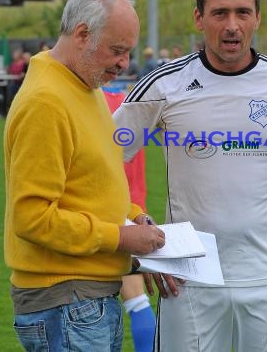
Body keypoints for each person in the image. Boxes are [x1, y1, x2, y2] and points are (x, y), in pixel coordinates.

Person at [113, 0, 267, 352]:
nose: (231, 25)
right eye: (219, 13)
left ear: (257, 17)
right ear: (199, 18)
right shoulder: (164, 85)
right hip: (188, 278)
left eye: (242, 12)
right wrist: (132, 223)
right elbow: (100, 158)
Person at [3, 0, 165, 352]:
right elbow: (32, 218)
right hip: (65, 300)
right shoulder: (47, 101)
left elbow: (92, 185)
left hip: (83, 298)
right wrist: (121, 238)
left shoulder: (82, 87)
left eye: (128, 52)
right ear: (81, 35)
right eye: (117, 50)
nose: (125, 63)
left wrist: (135, 217)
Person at [103, 88, 155, 352]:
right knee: (136, 298)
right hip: (135, 208)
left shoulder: (91, 101)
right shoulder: (130, 101)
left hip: (103, 205)